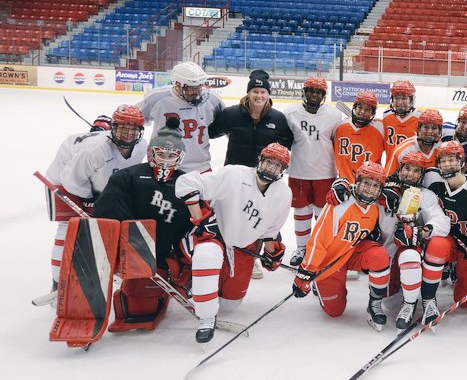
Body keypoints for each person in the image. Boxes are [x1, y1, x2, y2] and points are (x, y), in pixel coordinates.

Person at [176, 143, 292, 342]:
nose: (271, 168)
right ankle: (206, 318)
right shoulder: (234, 175)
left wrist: (272, 255)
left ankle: (209, 286)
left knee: (230, 305)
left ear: (282, 171)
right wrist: (201, 219)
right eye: (269, 162)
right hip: (214, 237)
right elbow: (186, 182)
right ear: (260, 160)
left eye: (277, 166)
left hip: (242, 248)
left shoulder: (283, 194)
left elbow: (270, 231)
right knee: (206, 257)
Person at [93, 115, 198, 332]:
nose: (166, 160)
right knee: (138, 303)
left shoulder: (188, 183)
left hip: (166, 255)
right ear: (151, 153)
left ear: (180, 157)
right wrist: (130, 246)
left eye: (172, 155)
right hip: (134, 255)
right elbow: (107, 211)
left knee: (147, 299)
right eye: (161, 154)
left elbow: (196, 223)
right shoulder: (126, 177)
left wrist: (183, 261)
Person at [292, 162, 392, 328]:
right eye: (366, 183)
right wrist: (307, 270)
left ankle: (374, 304)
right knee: (335, 311)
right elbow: (318, 240)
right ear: (357, 181)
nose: (369, 189)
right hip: (329, 262)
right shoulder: (340, 202)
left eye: (375, 186)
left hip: (352, 252)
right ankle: (322, 282)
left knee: (379, 255)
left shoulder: (377, 205)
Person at [38, 115, 111, 300]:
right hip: (65, 184)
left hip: (57, 182)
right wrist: (90, 198)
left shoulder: (75, 137)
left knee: (66, 230)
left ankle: (57, 283)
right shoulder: (101, 145)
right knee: (79, 229)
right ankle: (67, 281)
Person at [378, 149, 451, 329]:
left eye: (416, 170)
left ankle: (417, 302)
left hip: (407, 251)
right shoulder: (382, 190)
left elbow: (441, 222)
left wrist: (423, 231)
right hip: (385, 254)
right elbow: (361, 192)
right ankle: (404, 296)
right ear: (400, 169)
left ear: (421, 175)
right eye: (407, 168)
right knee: (389, 302)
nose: (410, 174)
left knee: (425, 249)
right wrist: (344, 186)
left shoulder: (425, 195)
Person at [422, 141, 467, 320]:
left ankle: (457, 271)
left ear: (462, 162)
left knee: (465, 301)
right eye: (443, 161)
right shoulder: (431, 178)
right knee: (436, 245)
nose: (446, 165)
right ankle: (428, 299)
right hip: (446, 238)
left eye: (451, 160)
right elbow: (407, 175)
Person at [284, 77, 346, 266]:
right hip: (298, 172)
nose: (313, 95)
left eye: (318, 92)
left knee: (322, 213)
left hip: (325, 172)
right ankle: (302, 248)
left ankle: (318, 248)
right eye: (310, 90)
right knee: (301, 212)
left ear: (323, 95)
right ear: (304, 92)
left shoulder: (335, 115)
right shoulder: (290, 113)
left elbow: (339, 142)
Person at [136, 61, 224, 173]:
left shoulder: (212, 99)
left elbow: (228, 124)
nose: (197, 92)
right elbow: (133, 120)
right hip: (163, 163)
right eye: (191, 88)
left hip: (200, 166)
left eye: (199, 87)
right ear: (177, 85)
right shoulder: (157, 98)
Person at [209, 69, 293, 167]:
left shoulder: (278, 118)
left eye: (263, 92)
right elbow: (210, 133)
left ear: (268, 94)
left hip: (262, 175)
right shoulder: (231, 114)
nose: (259, 95)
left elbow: (289, 144)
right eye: (255, 91)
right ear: (248, 93)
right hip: (234, 173)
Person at [333, 91, 387, 185]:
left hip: (369, 186)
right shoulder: (340, 126)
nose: (362, 112)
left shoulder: (380, 128)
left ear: (373, 113)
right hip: (344, 184)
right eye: (360, 107)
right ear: (354, 108)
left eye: (367, 110)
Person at [385, 108, 444, 176]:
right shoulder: (403, 150)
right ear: (419, 128)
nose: (430, 131)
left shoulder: (442, 149)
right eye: (426, 127)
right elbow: (388, 178)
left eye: (434, 128)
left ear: (439, 131)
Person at [382, 79, 420, 161]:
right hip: (390, 169)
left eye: (404, 98)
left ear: (411, 100)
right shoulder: (386, 115)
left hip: (411, 170)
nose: (399, 102)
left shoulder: (420, 118)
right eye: (396, 98)